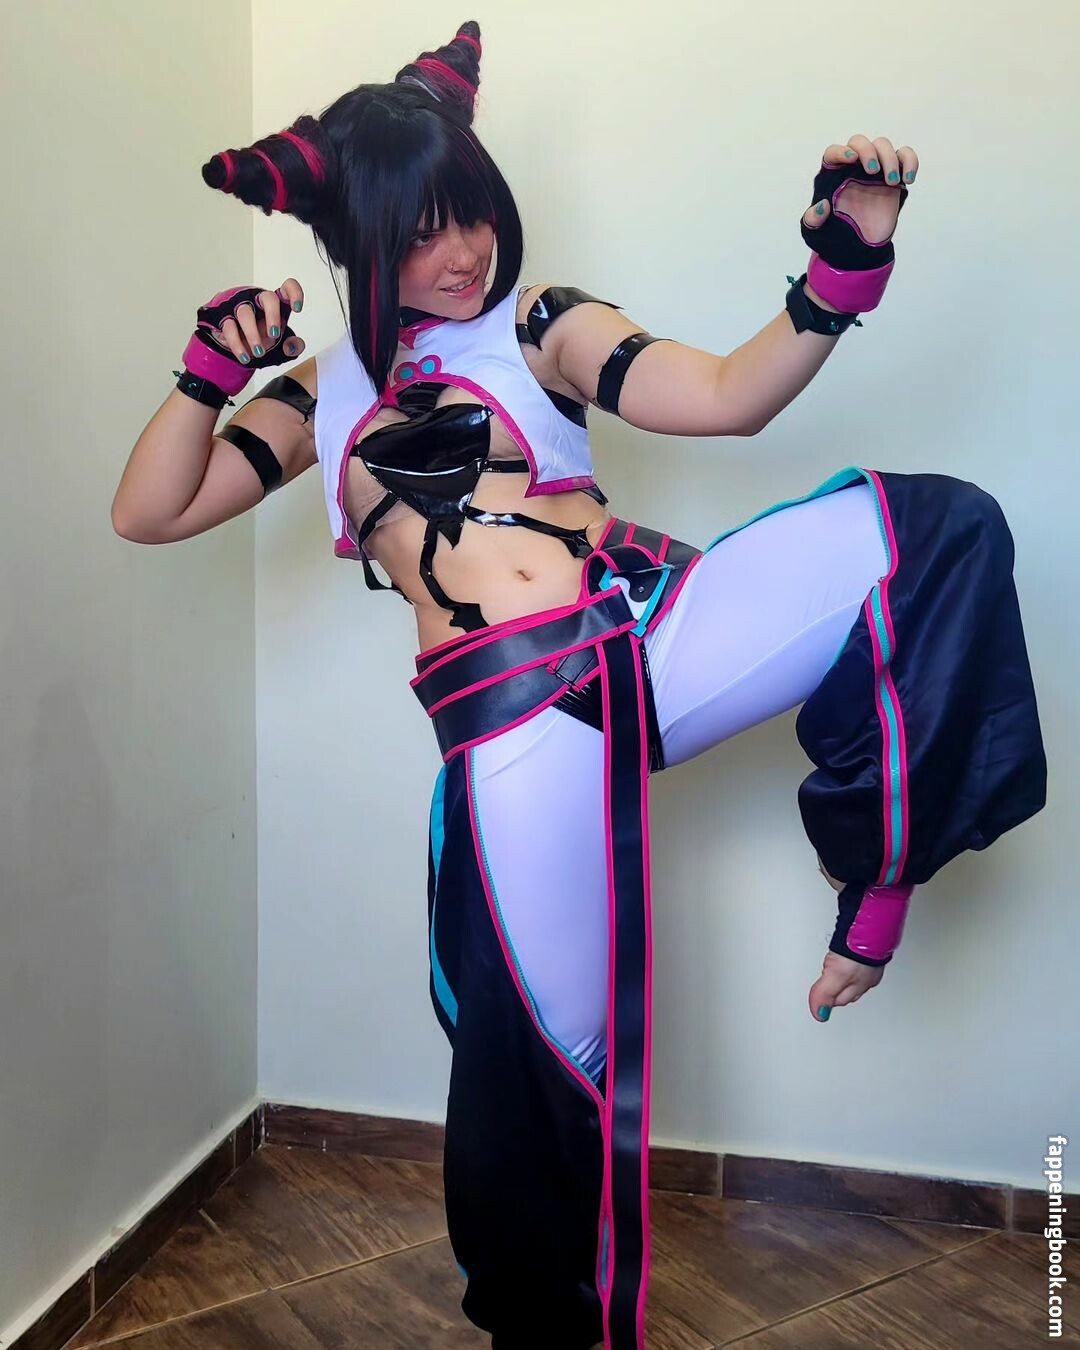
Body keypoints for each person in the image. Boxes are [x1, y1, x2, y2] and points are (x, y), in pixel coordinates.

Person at [110, 20, 1047, 1350]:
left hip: (655, 635)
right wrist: (210, 370)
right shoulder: (326, 392)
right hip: (518, 714)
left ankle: (882, 870)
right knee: (549, 1064)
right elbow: (149, 512)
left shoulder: (541, 321)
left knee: (936, 529)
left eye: (473, 213)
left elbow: (726, 396)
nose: (463, 252)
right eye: (423, 233)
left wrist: (843, 265)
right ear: (358, 243)